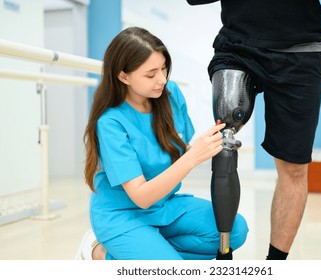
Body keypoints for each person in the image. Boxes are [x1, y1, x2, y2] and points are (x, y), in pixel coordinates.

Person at [186, 0, 321, 260]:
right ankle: (223, 253)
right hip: (239, 46)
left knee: (293, 167)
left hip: (301, 53)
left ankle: (275, 266)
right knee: (226, 135)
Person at [75, 26, 248, 260]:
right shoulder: (111, 123)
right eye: (151, 74)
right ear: (123, 76)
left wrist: (212, 142)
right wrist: (194, 156)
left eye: (164, 68)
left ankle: (148, 249)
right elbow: (141, 196)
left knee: (235, 231)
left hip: (164, 206)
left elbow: (182, 149)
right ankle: (101, 252)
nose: (162, 79)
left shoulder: (170, 93)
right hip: (123, 214)